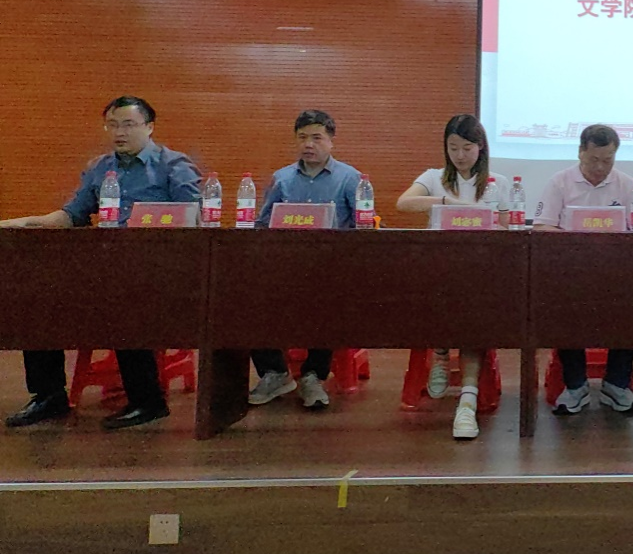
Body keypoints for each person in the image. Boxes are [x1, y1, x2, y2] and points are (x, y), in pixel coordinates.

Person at [1, 96, 199, 430]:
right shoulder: (99, 168)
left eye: (128, 124)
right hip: (104, 267)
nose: (119, 132)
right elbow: (72, 215)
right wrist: (20, 222)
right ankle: (49, 395)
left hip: (157, 272)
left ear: (149, 127)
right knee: (38, 301)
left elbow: (194, 219)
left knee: (125, 299)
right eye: (113, 125)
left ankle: (148, 401)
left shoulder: (174, 166)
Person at [396, 113, 510, 439]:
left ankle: (467, 400)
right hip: (440, 270)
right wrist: (445, 201)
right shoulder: (434, 177)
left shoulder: (498, 183)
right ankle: (441, 355)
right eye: (453, 147)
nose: (460, 155)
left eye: (467, 148)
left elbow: (506, 229)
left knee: (473, 315)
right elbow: (403, 203)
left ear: (481, 147)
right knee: (442, 298)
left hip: (481, 273)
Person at [248, 109, 362, 413]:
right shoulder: (282, 179)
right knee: (246, 297)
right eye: (302, 138)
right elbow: (262, 224)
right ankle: (275, 372)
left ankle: (313, 375)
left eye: (317, 138)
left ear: (331, 141)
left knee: (327, 298)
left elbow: (363, 227)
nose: (309, 144)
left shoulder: (350, 178)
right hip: (285, 267)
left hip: (331, 269)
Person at [532, 124, 633, 416]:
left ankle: (616, 384)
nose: (601, 168)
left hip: (616, 274)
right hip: (571, 274)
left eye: (608, 160)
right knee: (563, 308)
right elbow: (541, 228)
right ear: (580, 152)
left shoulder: (627, 185)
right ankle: (575, 386)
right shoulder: (560, 182)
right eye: (594, 160)